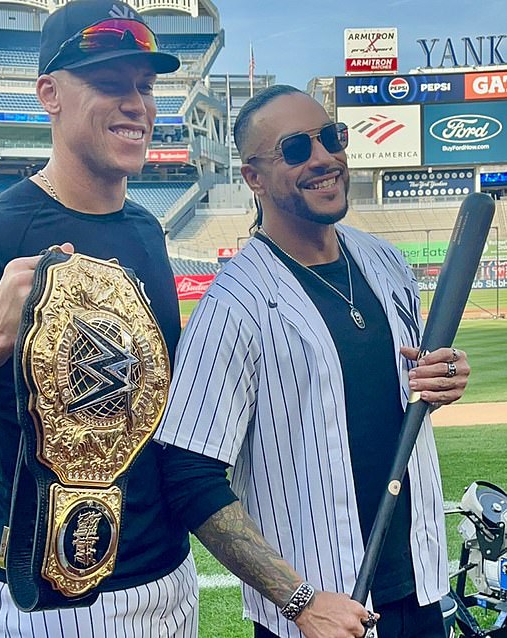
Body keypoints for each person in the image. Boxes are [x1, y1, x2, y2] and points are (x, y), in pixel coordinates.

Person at [0, 1, 199, 636]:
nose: (137, 102)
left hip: (166, 581)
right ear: (49, 94)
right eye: (111, 83)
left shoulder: (146, 231)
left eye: (146, 85)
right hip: (28, 596)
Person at [155, 85, 471, 638]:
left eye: (331, 137)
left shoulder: (386, 261)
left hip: (419, 588)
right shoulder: (234, 303)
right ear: (253, 177)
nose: (324, 157)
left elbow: (388, 399)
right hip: (319, 616)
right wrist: (298, 601)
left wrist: (442, 377)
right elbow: (189, 474)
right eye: (296, 148)